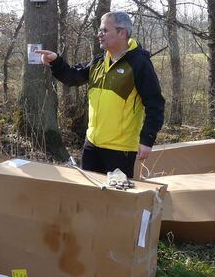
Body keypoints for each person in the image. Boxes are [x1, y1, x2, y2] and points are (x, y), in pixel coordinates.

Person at [36, 11, 165, 178]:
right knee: (90, 196)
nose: (99, 34)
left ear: (122, 32)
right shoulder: (98, 61)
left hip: (120, 149)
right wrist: (55, 61)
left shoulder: (139, 63)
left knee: (117, 199)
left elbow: (155, 104)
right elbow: (72, 77)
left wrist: (147, 139)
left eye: (104, 30)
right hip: (91, 145)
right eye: (99, 30)